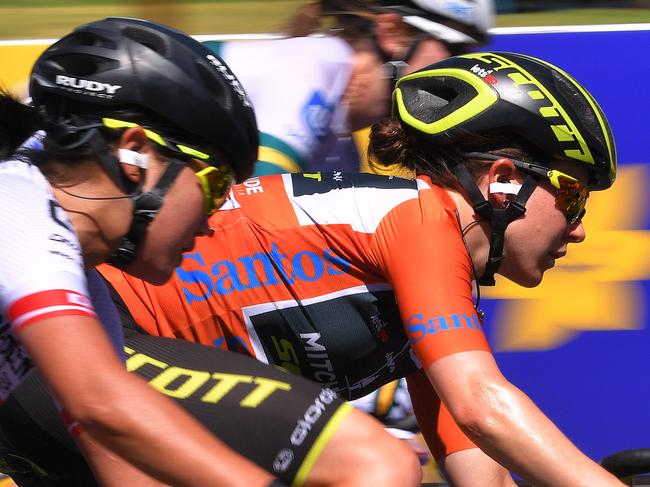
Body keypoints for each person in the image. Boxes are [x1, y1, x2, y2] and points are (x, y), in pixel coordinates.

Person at [96, 51, 624, 487]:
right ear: (505, 180)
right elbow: (482, 407)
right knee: (378, 466)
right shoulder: (420, 218)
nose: (578, 229)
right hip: (97, 335)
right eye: (573, 196)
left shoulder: (434, 281)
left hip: (119, 359)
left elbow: (482, 468)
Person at [0, 16, 420, 487]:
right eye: (215, 183)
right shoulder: (18, 202)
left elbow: (123, 460)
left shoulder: (86, 283)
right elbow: (101, 404)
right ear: (134, 154)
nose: (211, 221)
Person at [204, 0, 494, 175]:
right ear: (394, 32)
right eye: (456, 50)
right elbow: (253, 211)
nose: (466, 69)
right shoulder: (315, 67)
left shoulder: (341, 146)